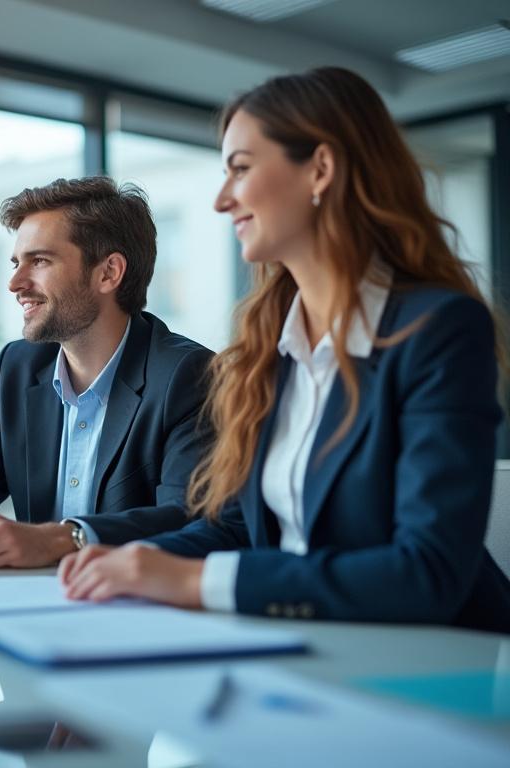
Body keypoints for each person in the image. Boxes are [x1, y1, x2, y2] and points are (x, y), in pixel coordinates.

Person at [59, 67, 510, 633]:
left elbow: (428, 572)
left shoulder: (437, 331)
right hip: (306, 651)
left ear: (320, 169)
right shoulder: (269, 348)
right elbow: (238, 530)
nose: (223, 200)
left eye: (241, 169)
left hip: (440, 669)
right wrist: (129, 560)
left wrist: (192, 581)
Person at [0, 177, 213, 567]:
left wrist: (67, 539)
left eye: (40, 261)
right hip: (34, 607)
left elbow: (190, 518)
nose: (14, 283)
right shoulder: (21, 367)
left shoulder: (188, 375)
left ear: (109, 272)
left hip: (137, 611)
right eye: (16, 263)